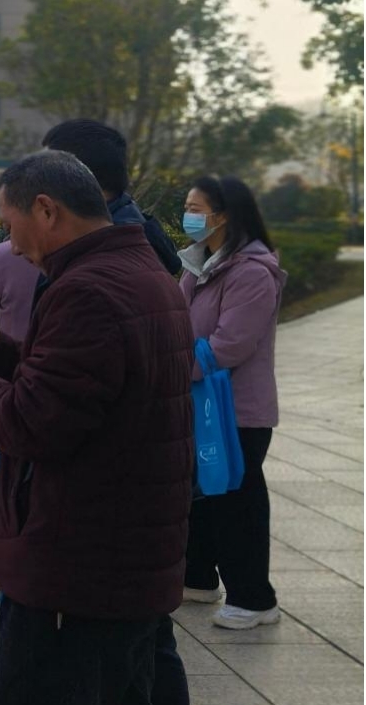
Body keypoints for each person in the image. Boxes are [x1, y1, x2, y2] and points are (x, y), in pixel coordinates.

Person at [0, 151, 194, 705]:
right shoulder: (142, 269)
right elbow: (92, 391)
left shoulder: (85, 291)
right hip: (123, 553)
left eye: (9, 224)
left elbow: (31, 425)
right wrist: (4, 354)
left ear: (46, 210)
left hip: (76, 572)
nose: (10, 244)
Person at [179, 176, 286, 630]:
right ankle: (198, 578)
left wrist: (170, 366)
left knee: (237, 503)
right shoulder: (196, 265)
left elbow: (230, 346)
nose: (187, 215)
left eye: (195, 208)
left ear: (223, 216)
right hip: (199, 403)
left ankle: (254, 599)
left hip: (238, 411)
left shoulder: (252, 273)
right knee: (201, 496)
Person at [0, 119, 181, 341]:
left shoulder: (86, 283)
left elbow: (62, 359)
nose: (16, 248)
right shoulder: (141, 243)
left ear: (77, 177)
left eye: (44, 169)